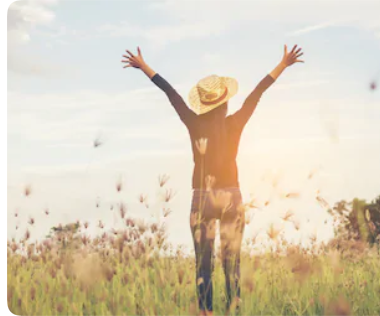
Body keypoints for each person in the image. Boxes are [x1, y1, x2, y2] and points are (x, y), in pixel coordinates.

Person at [122, 45, 304, 316]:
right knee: (232, 264)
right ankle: (234, 311)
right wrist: (283, 65)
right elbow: (257, 93)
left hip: (202, 198)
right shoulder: (236, 122)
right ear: (225, 101)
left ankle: (206, 313)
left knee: (203, 266)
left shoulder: (193, 122)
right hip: (232, 197)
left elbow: (170, 94)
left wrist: (144, 66)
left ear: (203, 103)